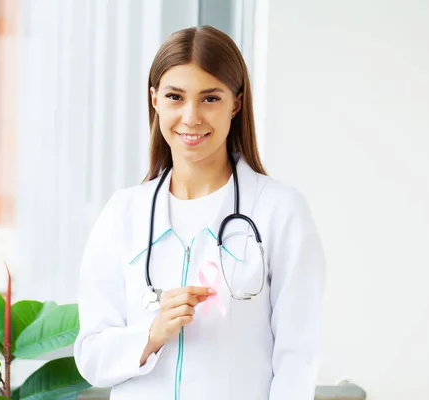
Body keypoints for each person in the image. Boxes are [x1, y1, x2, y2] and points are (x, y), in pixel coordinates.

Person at [74, 25, 326, 400]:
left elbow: (296, 359)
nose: (191, 117)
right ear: (155, 100)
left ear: (236, 104)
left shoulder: (279, 211)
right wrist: (153, 333)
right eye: (176, 96)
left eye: (210, 99)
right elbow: (92, 356)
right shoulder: (124, 214)